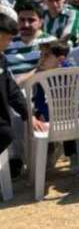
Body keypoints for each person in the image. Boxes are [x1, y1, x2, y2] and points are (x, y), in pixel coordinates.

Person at [0, 14, 37, 181]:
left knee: (5, 133)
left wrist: (28, 113)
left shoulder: (1, 58)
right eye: (8, 39)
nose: (9, 44)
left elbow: (12, 90)